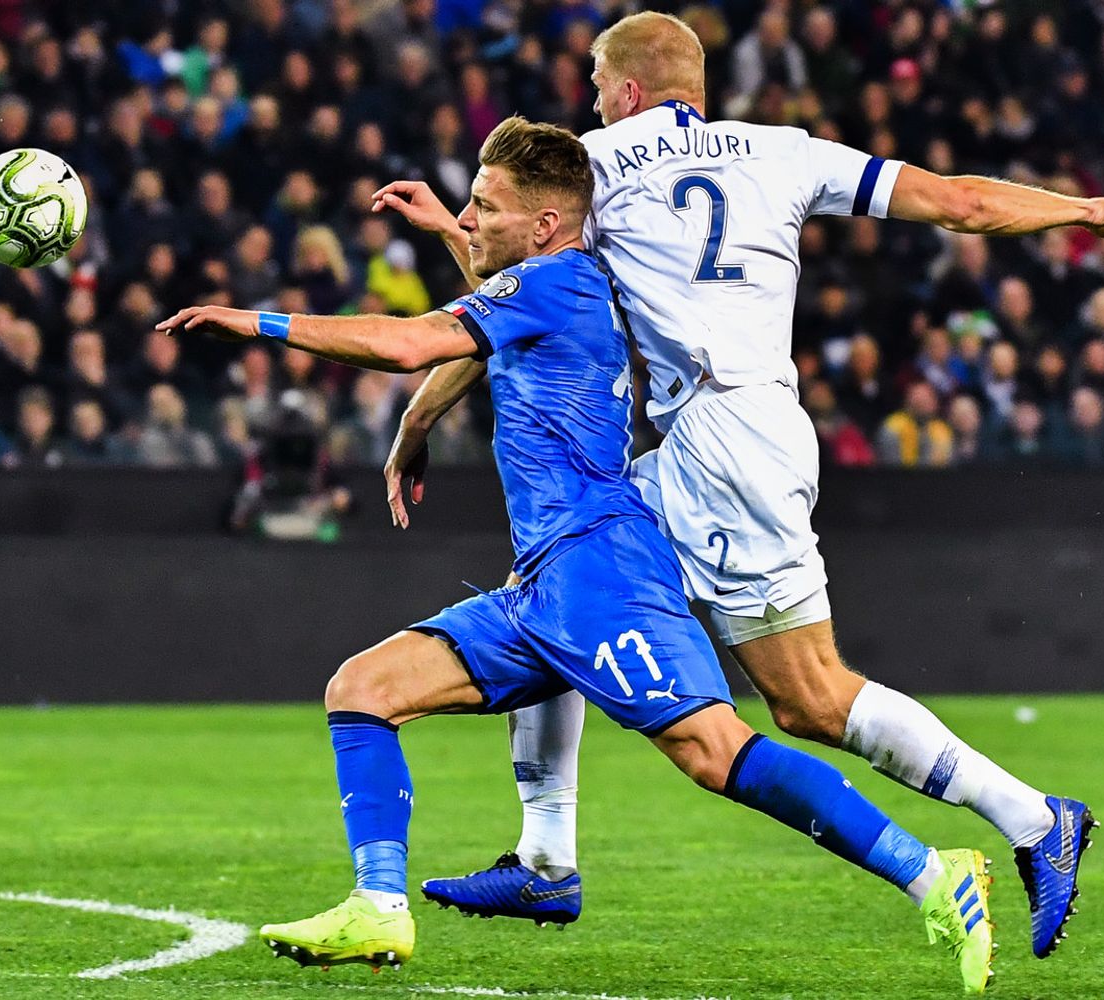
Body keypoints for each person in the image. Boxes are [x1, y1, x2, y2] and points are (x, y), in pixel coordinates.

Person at [157, 117, 996, 993]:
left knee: (715, 751)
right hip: (548, 581)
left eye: (485, 205)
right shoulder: (557, 280)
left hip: (602, 570)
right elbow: (491, 297)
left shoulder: (554, 284)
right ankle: (380, 905)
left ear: (546, 225)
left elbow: (408, 345)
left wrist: (254, 322)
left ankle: (937, 877)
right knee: (362, 690)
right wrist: (450, 237)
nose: (470, 216)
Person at [374, 11, 1104, 961]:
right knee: (568, 566)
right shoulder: (788, 151)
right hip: (753, 429)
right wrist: (1083, 211)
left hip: (723, 448)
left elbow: (511, 295)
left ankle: (1032, 820)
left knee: (810, 697)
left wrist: (418, 410)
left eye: (595, 85)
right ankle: (544, 857)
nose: (590, 101)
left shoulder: (598, 167)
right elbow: (960, 204)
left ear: (624, 91)